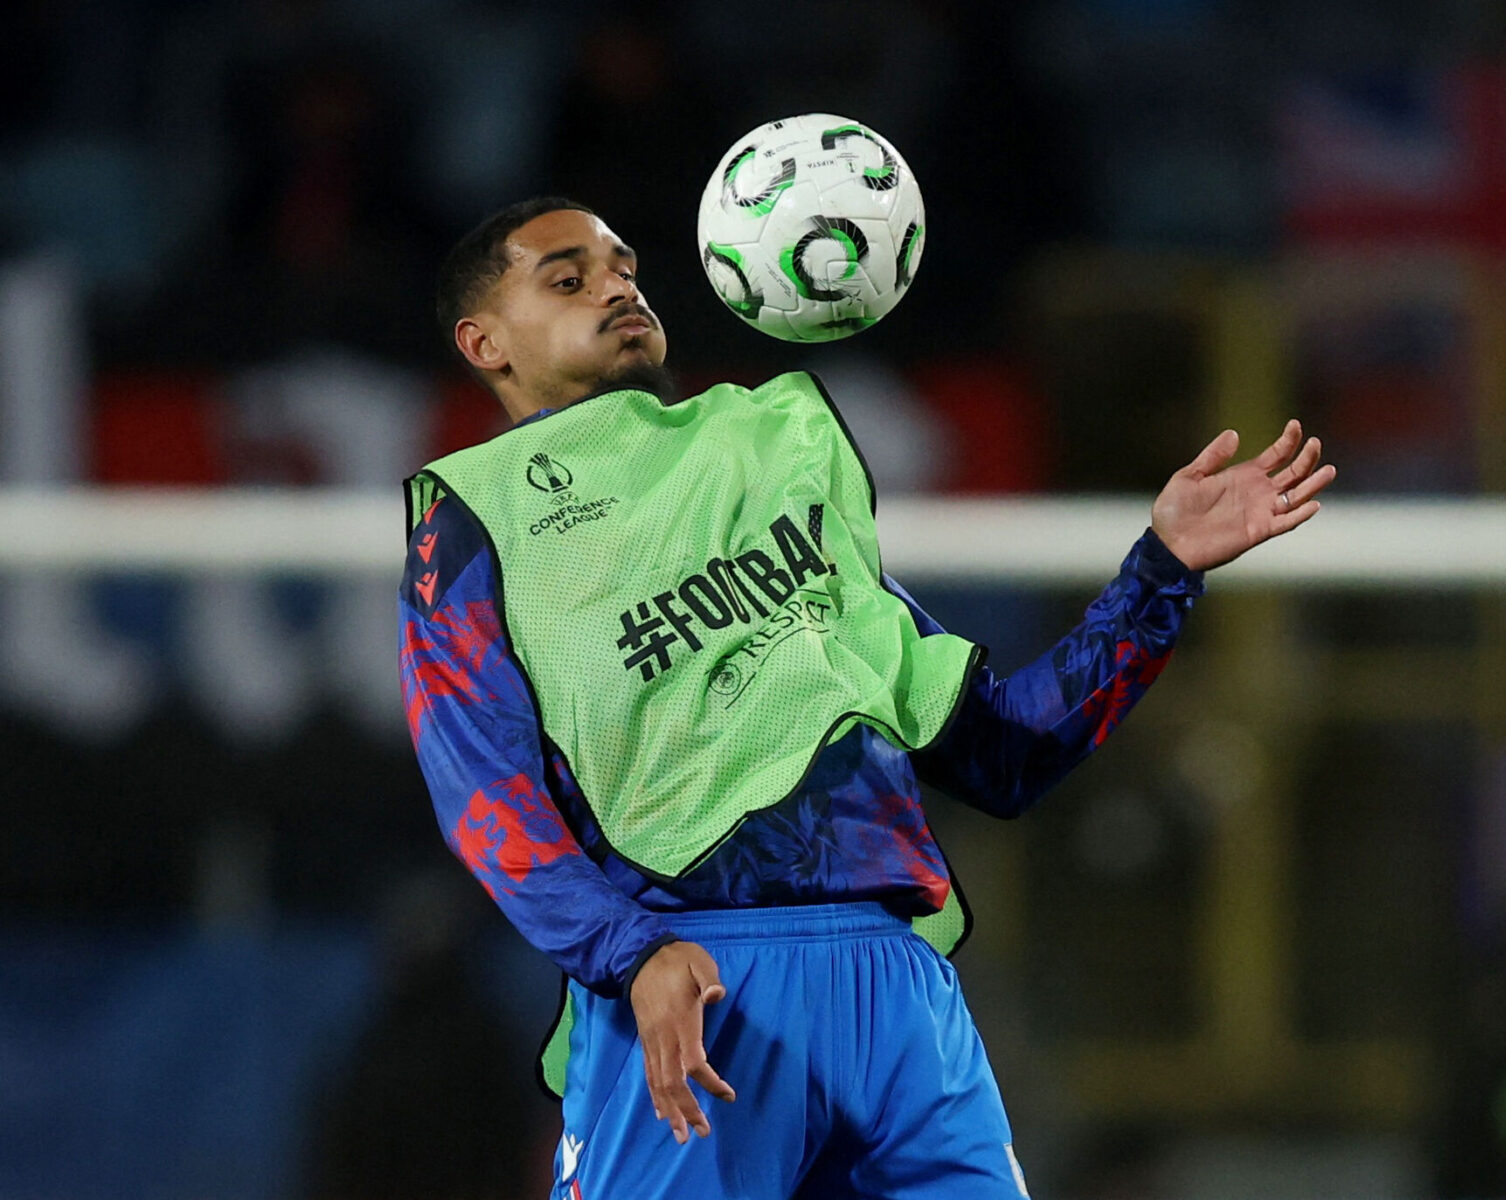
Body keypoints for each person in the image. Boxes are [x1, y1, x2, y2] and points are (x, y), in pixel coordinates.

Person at [399, 196, 1334, 1198]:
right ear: (484, 343)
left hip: (900, 995)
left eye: (625, 267)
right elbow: (487, 800)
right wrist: (631, 956)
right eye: (568, 278)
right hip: (698, 981)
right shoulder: (474, 523)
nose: (617, 287)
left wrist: (1160, 572)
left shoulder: (770, 459)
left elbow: (1002, 752)